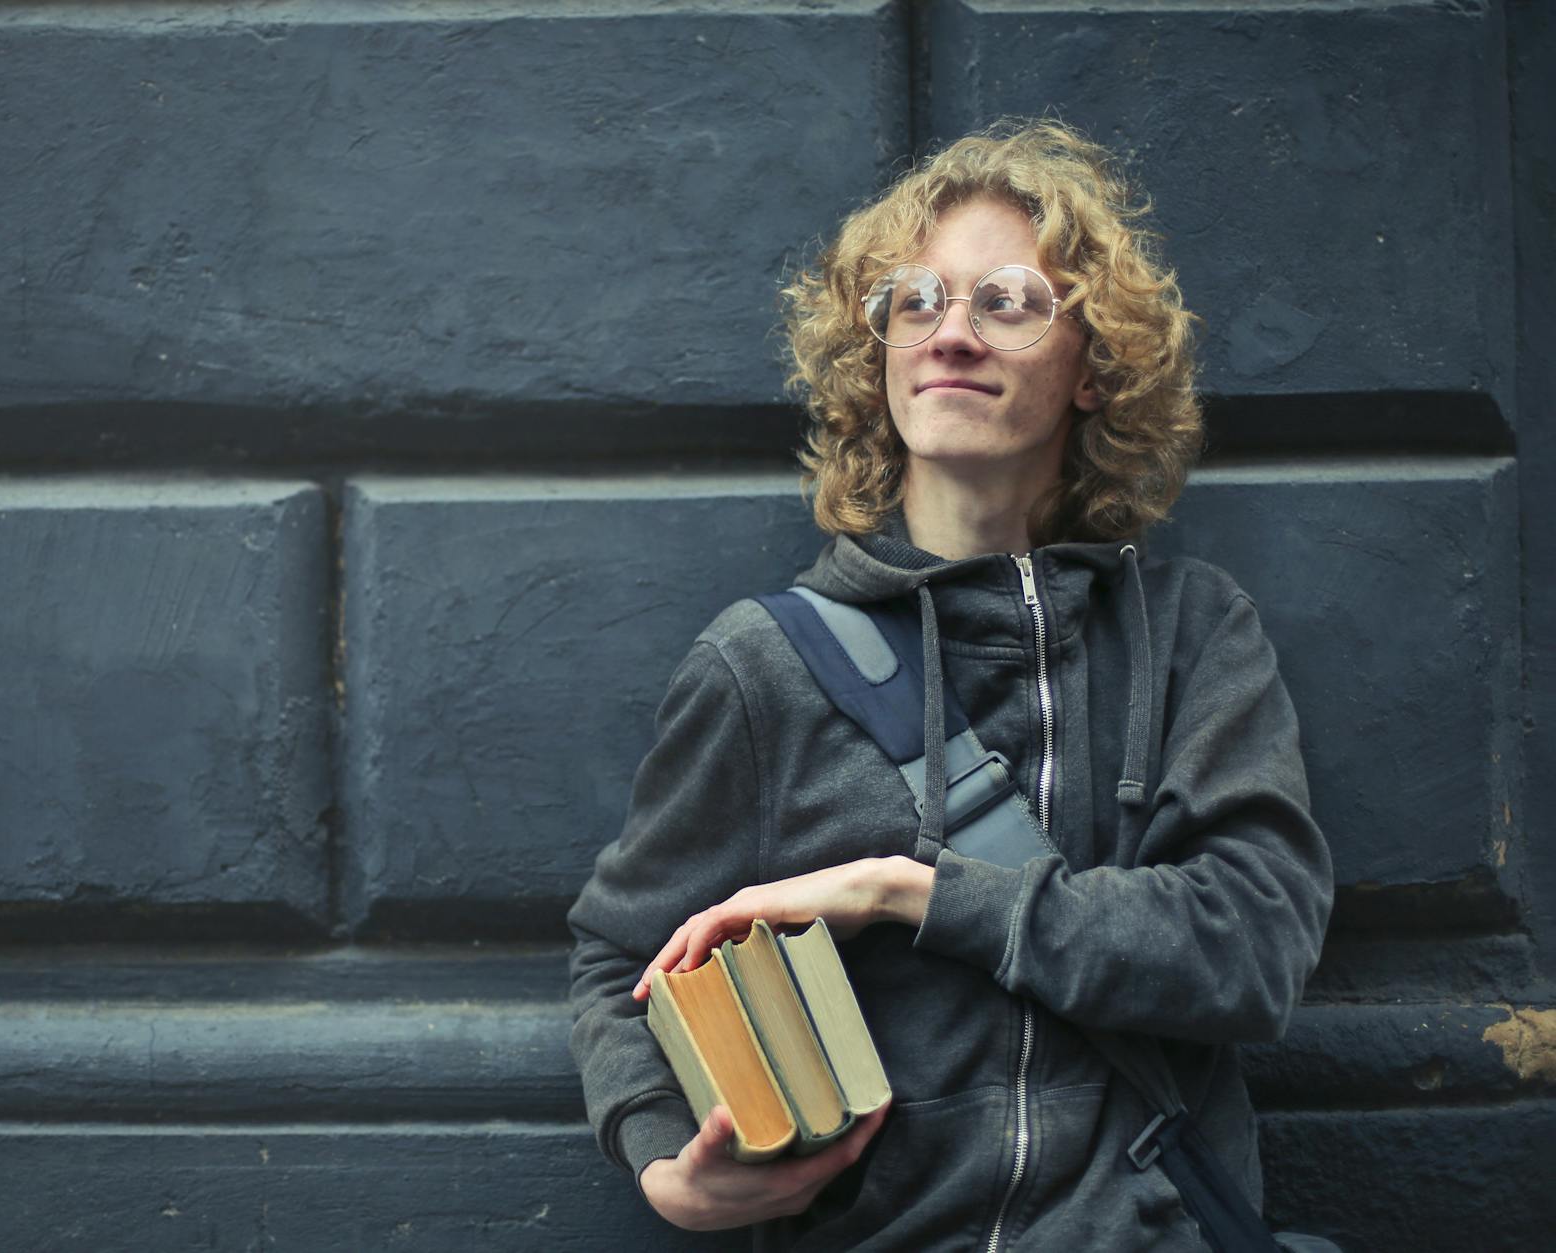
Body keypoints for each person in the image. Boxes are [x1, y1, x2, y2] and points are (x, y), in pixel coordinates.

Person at [565, 118, 1334, 1249]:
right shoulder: (765, 663)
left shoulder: (1187, 636)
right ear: (875, 353)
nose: (950, 333)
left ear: (1092, 366)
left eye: (1007, 300)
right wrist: (661, 1160)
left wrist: (909, 892)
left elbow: (1248, 950)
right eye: (914, 301)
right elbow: (618, 960)